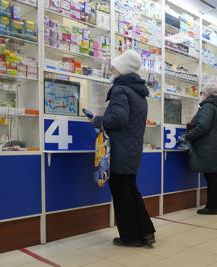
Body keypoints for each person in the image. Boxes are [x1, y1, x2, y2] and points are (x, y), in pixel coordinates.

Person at [91, 50, 155, 247]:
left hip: (120, 150)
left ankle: (130, 236)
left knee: (121, 193)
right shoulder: (139, 93)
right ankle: (145, 232)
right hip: (133, 149)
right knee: (132, 190)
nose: (112, 70)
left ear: (122, 69)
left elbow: (118, 118)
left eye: (114, 67)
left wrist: (97, 120)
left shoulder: (120, 90)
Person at [185, 82, 217, 215]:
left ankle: (212, 207)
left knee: (211, 177)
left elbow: (203, 126)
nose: (200, 96)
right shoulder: (216, 108)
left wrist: (188, 136)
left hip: (210, 147)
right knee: (215, 176)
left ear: (206, 94)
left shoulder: (208, 107)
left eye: (201, 93)